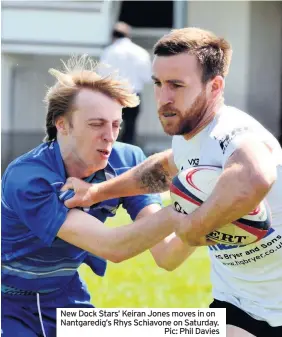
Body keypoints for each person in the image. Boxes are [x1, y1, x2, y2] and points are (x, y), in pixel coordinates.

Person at [62, 28, 282, 337]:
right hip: (237, 302)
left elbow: (254, 177)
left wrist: (196, 226)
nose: (164, 98)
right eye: (158, 84)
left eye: (176, 85)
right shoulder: (190, 136)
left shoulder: (232, 131)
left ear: (214, 86)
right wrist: (97, 191)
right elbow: (164, 168)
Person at [1, 55, 192, 337]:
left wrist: (210, 221)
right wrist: (191, 202)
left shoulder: (127, 159)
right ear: (62, 125)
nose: (109, 136)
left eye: (116, 124)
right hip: (10, 301)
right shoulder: (28, 178)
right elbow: (114, 247)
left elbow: (166, 255)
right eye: (96, 124)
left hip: (65, 293)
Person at [100, 21, 151, 145]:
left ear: (113, 36)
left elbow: (101, 75)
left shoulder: (108, 52)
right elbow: (148, 77)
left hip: (112, 96)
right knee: (130, 129)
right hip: (133, 95)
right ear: (128, 36)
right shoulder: (140, 52)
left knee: (110, 128)